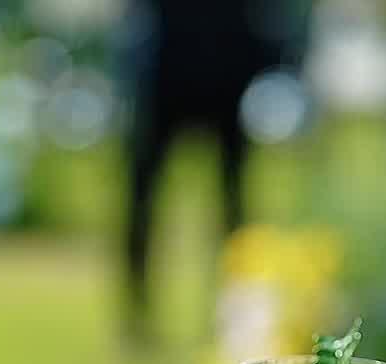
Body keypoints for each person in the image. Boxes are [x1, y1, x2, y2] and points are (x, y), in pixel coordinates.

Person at [118, 0, 297, 345]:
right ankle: (137, 311)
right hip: (167, 68)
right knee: (145, 201)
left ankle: (236, 317)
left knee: (232, 209)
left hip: (221, 70)